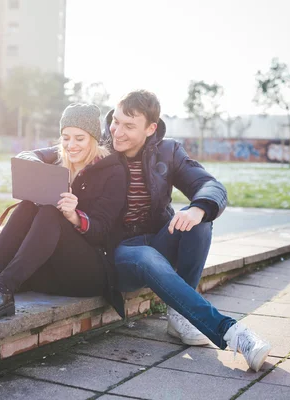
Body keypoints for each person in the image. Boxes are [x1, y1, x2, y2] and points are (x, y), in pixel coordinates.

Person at [105, 90, 271, 372]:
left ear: (151, 128)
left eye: (129, 126)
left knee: (199, 220)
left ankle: (178, 315)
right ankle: (232, 333)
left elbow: (211, 185)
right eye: (115, 122)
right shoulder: (98, 149)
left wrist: (198, 208)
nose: (117, 132)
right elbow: (51, 152)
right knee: (145, 256)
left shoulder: (168, 151)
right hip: (118, 254)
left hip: (157, 243)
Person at [0, 103, 127, 321]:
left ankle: (2, 291)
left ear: (94, 138)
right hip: (49, 271)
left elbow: (102, 231)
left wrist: (74, 216)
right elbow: (28, 155)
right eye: (66, 137)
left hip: (88, 274)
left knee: (52, 213)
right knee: (28, 205)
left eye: (80, 138)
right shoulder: (59, 161)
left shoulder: (113, 171)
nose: (71, 145)